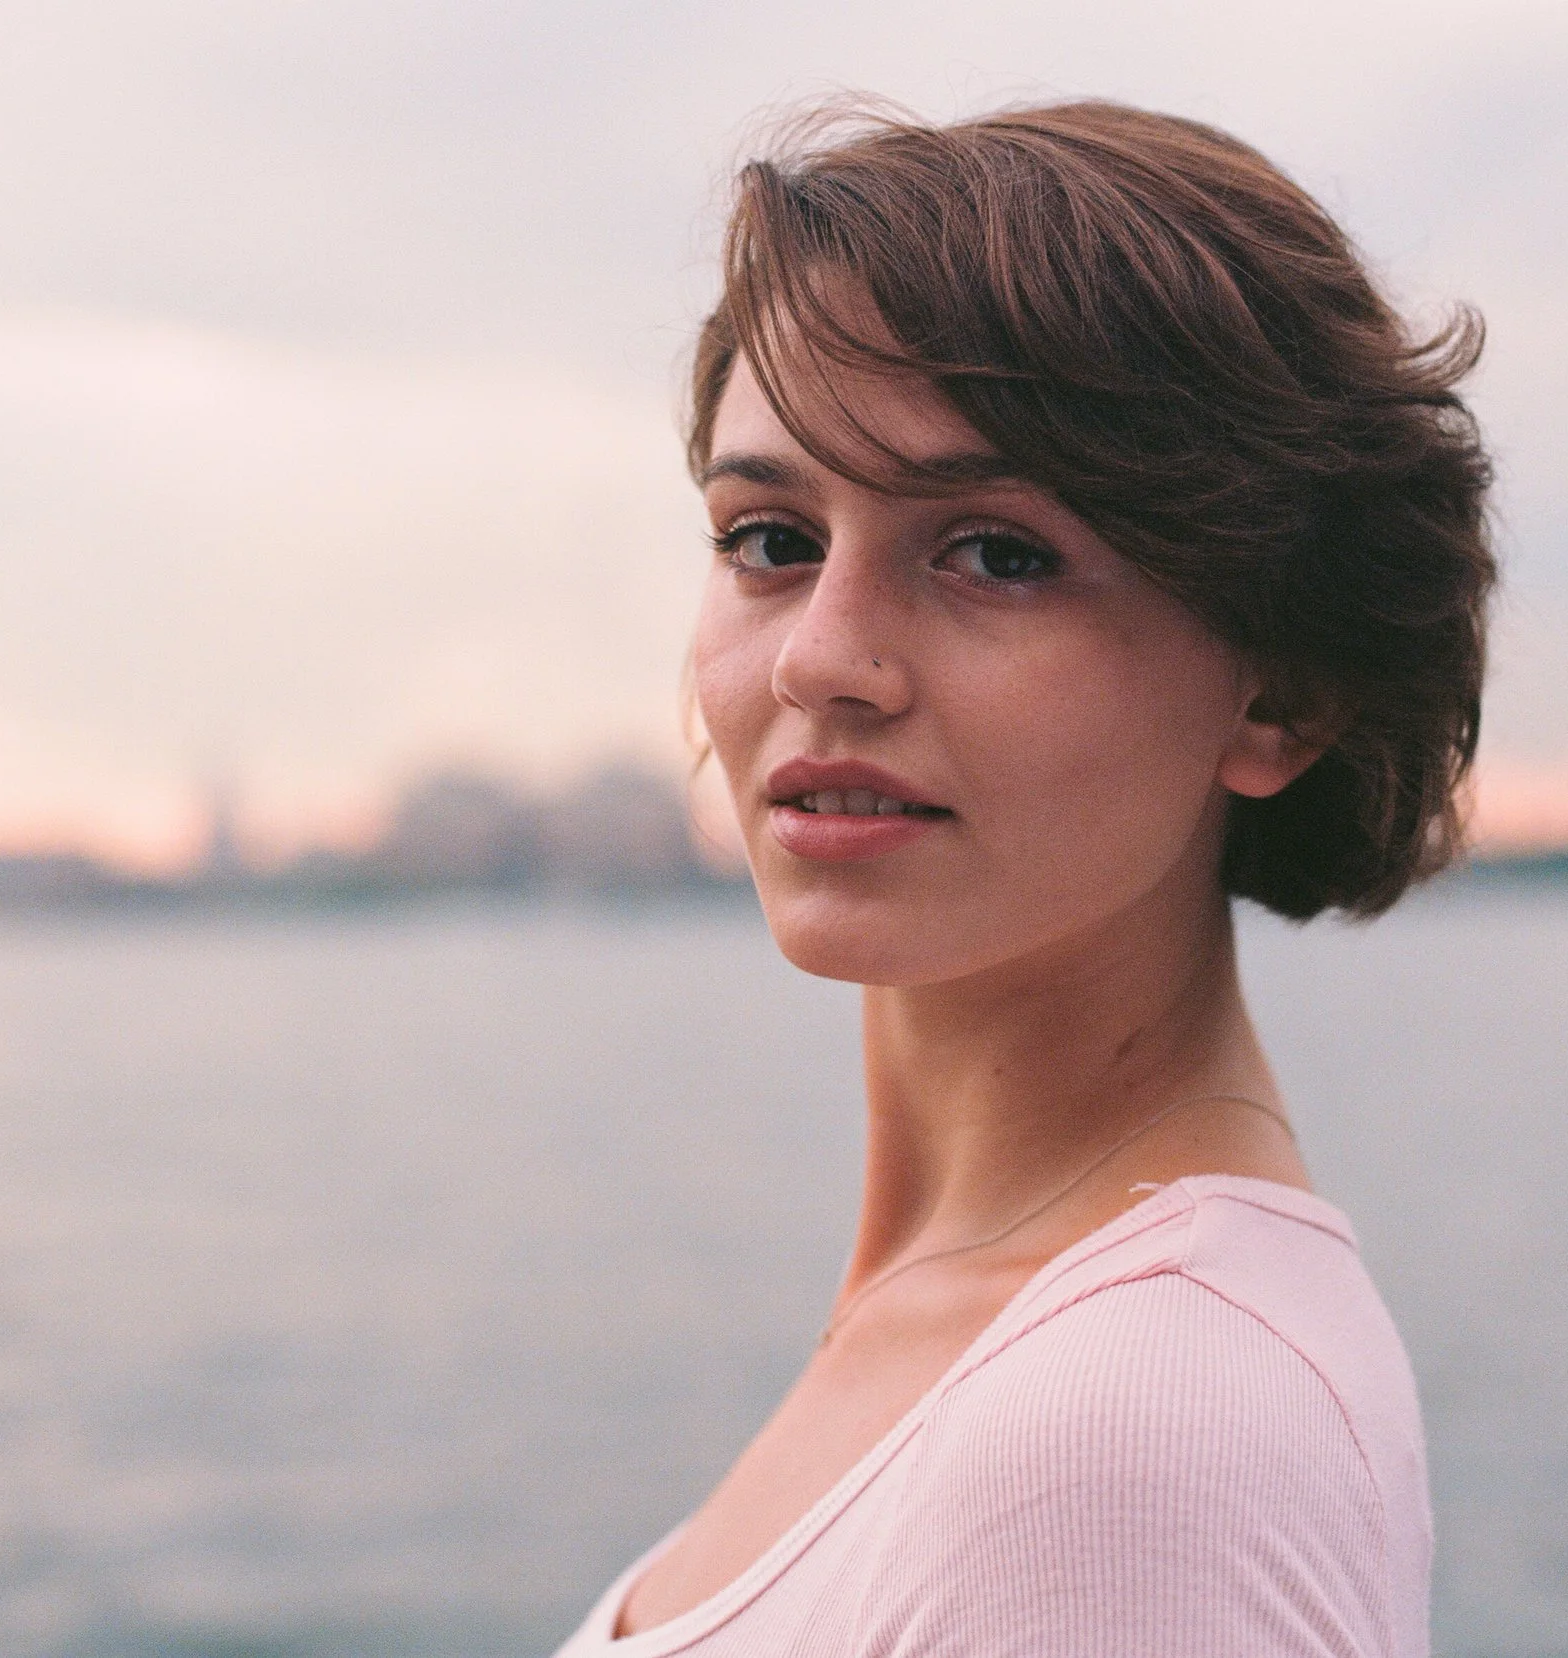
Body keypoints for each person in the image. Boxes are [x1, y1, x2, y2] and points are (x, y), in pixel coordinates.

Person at [554, 97, 1494, 1658]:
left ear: (1279, 694)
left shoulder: (1134, 1442)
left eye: (995, 552)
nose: (825, 654)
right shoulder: (1015, 1330)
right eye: (771, 535)